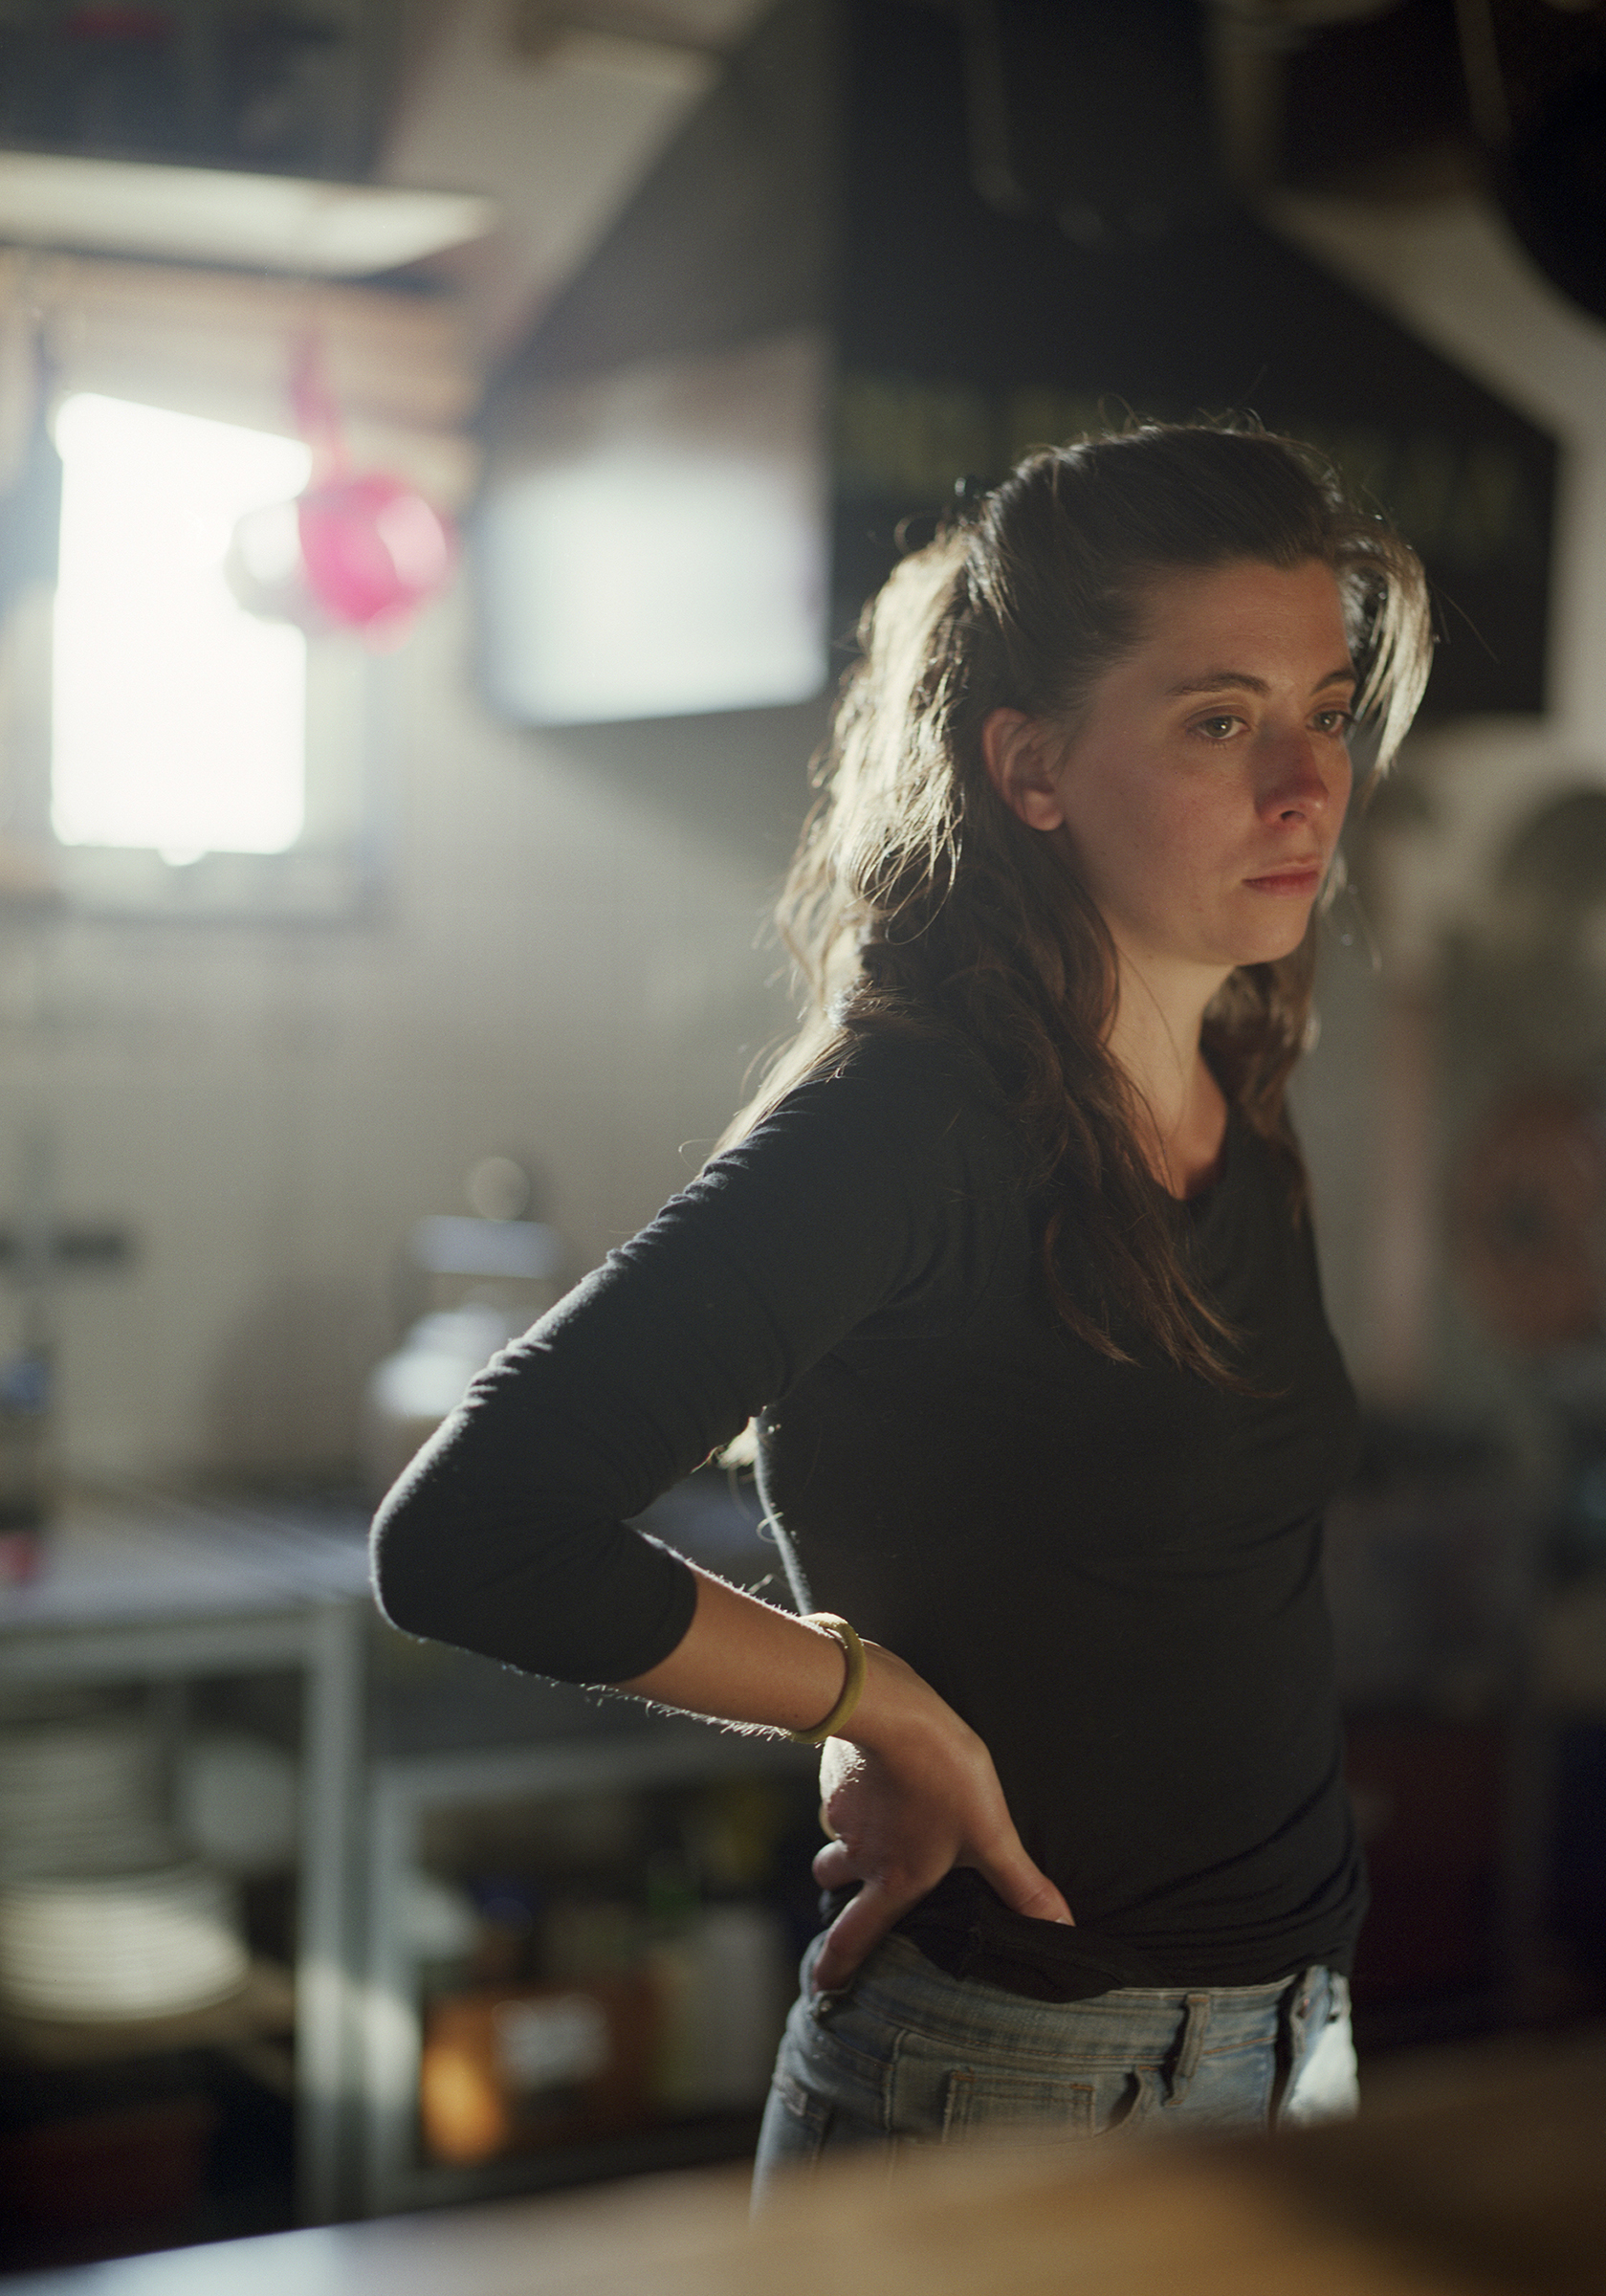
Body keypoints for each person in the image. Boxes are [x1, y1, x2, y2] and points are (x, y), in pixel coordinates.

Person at [370, 420, 1431, 2197]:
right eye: (1217, 720)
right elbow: (473, 1530)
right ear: (1030, 766)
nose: (1305, 787)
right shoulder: (909, 1127)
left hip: (1291, 2051)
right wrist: (876, 1703)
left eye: (1325, 710)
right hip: (1014, 2089)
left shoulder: (1237, 1089)